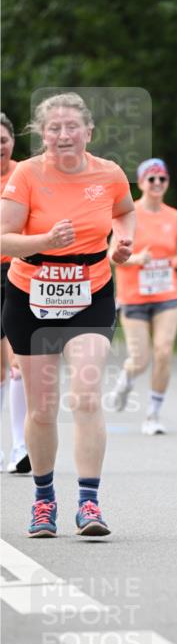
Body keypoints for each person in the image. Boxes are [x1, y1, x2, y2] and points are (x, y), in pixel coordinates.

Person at [0, 92, 135, 538]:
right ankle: (43, 501)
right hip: (30, 296)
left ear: (88, 132)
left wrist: (122, 242)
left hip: (89, 292)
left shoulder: (109, 173)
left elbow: (125, 212)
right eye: (54, 128)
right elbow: (3, 238)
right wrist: (43, 241)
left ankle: (89, 502)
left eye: (71, 127)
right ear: (42, 133)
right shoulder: (26, 174)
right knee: (41, 409)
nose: (63, 134)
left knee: (87, 395)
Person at [109, 158, 177, 434]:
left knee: (163, 351)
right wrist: (137, 259)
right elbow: (113, 255)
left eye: (163, 178)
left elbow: (174, 257)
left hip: (166, 293)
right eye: (152, 178)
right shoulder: (127, 213)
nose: (158, 183)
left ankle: (153, 415)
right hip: (133, 295)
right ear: (142, 182)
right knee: (141, 359)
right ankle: (126, 378)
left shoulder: (175, 216)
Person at [0, 111, 30, 473]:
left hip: (19, 271)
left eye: (3, 140)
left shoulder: (25, 175)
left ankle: (20, 446)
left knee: (18, 362)